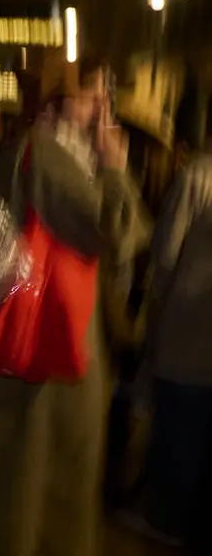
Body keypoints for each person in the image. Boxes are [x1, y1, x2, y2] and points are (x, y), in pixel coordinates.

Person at [0, 70, 150, 555]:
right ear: (52, 107)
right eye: (88, 98)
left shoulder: (22, 153)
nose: (102, 111)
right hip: (38, 365)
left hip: (9, 353)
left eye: (104, 98)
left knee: (3, 484)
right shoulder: (51, 156)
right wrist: (117, 168)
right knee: (28, 493)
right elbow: (111, 229)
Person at [131, 103, 212, 550]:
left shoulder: (197, 177)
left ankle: (165, 521)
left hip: (186, 339)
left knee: (178, 437)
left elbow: (164, 257)